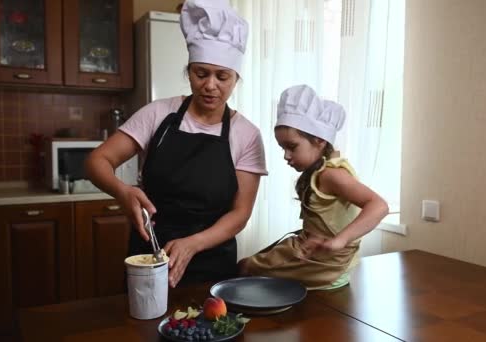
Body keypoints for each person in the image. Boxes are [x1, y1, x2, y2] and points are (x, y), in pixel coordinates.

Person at [86, 0, 267, 288]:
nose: (210, 85)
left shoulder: (247, 134)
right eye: (200, 73)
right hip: (150, 255)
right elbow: (97, 161)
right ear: (188, 70)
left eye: (222, 77)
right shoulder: (158, 113)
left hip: (213, 262)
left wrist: (193, 244)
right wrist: (122, 191)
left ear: (236, 79)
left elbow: (240, 213)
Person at [239, 85, 388, 290]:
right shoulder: (320, 173)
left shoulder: (332, 175)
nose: (286, 156)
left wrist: (339, 240)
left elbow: (379, 205)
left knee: (245, 267)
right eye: (283, 148)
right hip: (318, 256)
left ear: (319, 140)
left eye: (292, 147)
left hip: (325, 266)